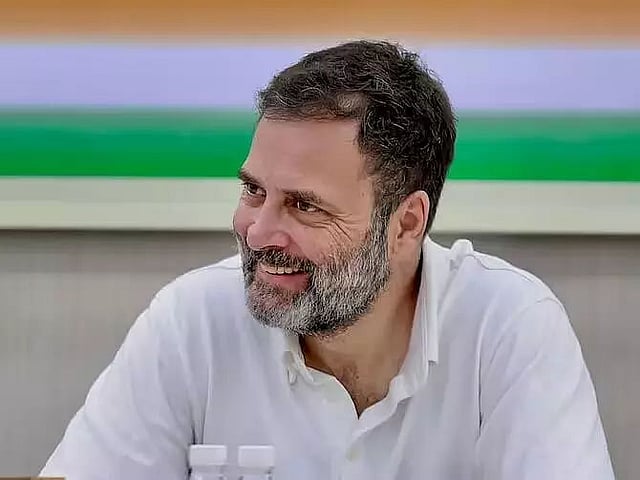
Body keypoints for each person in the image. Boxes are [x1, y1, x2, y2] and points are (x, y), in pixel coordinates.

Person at [40, 40, 614, 480]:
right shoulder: (192, 318)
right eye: (253, 191)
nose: (258, 232)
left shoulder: (508, 324)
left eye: (305, 206)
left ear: (406, 224)